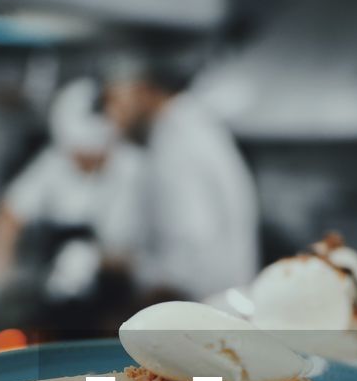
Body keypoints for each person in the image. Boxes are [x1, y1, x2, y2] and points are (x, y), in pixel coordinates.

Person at [104, 58, 259, 301]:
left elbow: (192, 250)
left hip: (201, 312)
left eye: (115, 101)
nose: (112, 118)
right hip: (219, 304)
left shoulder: (175, 144)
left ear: (144, 93)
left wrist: (134, 275)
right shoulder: (190, 127)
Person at [0, 78, 144, 289]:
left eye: (89, 157)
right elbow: (9, 214)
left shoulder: (135, 170)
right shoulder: (54, 162)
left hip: (119, 293)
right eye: (75, 155)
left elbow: (146, 256)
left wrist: (94, 261)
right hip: (56, 291)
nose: (80, 163)